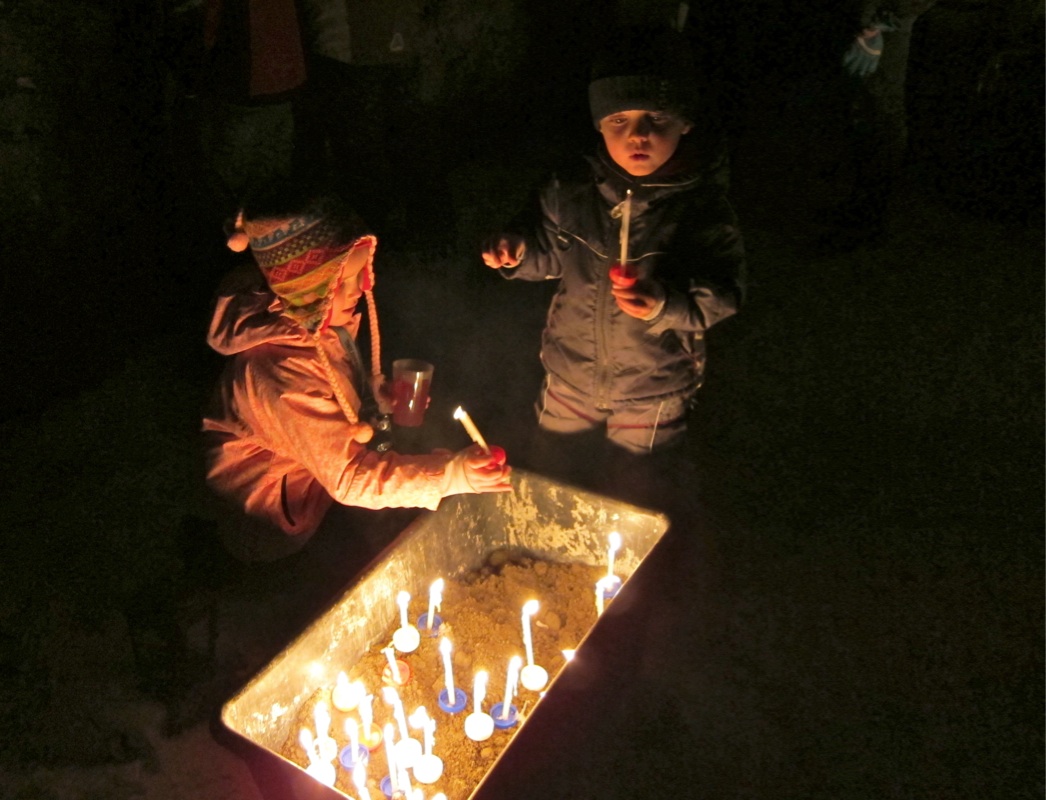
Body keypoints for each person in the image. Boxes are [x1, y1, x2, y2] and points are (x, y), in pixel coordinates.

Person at [479, 25, 746, 480]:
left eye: (656, 119)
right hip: (571, 372)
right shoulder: (572, 191)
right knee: (552, 475)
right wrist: (518, 252)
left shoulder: (701, 208)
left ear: (685, 123)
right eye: (619, 120)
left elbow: (723, 294)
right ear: (599, 125)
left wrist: (664, 303)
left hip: (653, 384)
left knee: (639, 487)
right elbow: (550, 254)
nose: (638, 135)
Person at [203, 187, 511, 562]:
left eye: (362, 273)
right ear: (304, 288)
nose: (361, 288)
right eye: (342, 281)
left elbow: (328, 389)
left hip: (310, 489)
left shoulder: (314, 324)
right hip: (266, 522)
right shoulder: (280, 373)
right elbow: (350, 478)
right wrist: (449, 476)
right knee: (294, 582)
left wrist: (371, 400)